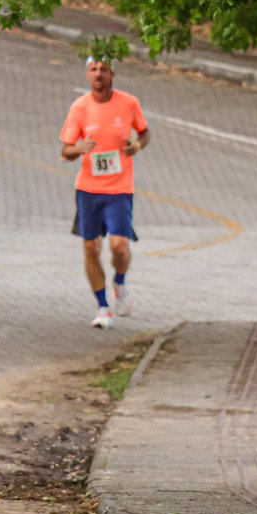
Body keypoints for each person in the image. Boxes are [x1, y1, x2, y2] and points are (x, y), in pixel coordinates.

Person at [59, 52, 149, 329]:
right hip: (89, 189)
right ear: (88, 74)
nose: (98, 74)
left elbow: (144, 133)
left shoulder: (129, 103)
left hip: (120, 189)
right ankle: (102, 307)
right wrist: (79, 148)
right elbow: (65, 151)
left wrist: (136, 146)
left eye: (104, 69)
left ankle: (119, 283)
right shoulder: (80, 107)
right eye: (93, 69)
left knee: (119, 246)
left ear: (112, 74)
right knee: (90, 248)